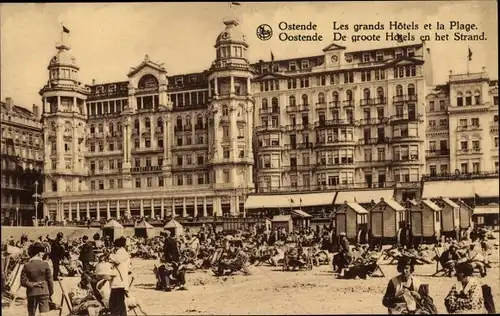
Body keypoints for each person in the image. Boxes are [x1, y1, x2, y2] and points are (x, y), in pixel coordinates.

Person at [20, 242, 54, 316]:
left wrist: (33, 284)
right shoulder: (45, 264)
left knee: (31, 314)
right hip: (44, 291)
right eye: (42, 254)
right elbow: (50, 280)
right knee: (44, 314)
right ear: (39, 253)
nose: (43, 255)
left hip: (32, 292)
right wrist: (50, 292)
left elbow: (23, 282)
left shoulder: (26, 265)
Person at [108, 236, 130, 316]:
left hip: (119, 281)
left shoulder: (121, 252)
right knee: (120, 302)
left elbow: (117, 259)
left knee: (114, 302)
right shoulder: (122, 252)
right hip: (121, 281)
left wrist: (109, 255)